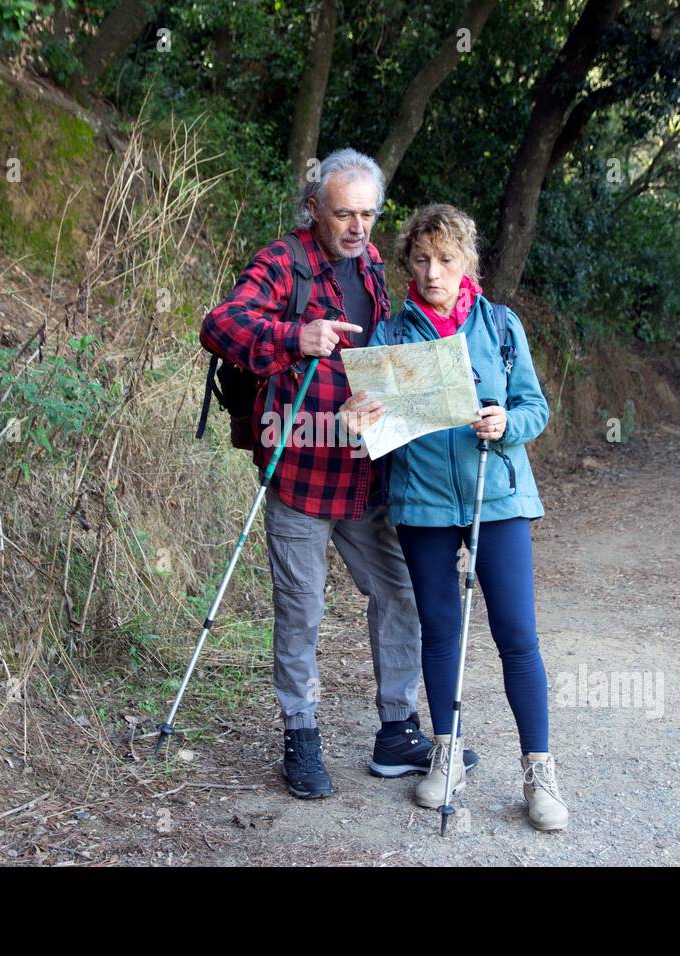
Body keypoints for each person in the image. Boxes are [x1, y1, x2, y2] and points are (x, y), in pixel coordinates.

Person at [200, 151, 477, 799]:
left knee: (401, 591)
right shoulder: (283, 261)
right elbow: (221, 325)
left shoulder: (378, 267)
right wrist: (297, 337)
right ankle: (300, 735)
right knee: (302, 610)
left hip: (363, 473)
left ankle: (397, 730)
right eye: (343, 213)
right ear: (314, 209)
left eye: (367, 214)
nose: (357, 227)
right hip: (298, 468)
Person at [341, 203, 568, 830]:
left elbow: (534, 409)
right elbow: (368, 427)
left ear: (467, 262)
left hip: (497, 499)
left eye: (445, 259)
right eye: (421, 260)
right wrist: (358, 419)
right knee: (439, 630)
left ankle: (539, 772)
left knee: (516, 633)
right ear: (408, 266)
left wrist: (505, 422)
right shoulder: (390, 336)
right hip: (421, 504)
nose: (433, 272)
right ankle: (444, 757)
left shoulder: (499, 327)